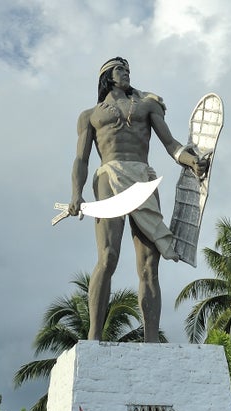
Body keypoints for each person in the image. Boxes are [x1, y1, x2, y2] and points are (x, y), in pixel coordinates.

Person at [69, 57, 208, 343]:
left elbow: (171, 144)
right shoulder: (90, 116)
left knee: (148, 265)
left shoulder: (147, 105)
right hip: (109, 174)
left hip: (143, 177)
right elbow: (81, 159)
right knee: (108, 257)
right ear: (107, 76)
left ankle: (151, 338)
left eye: (129, 70)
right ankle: (94, 335)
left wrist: (190, 161)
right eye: (121, 70)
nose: (127, 74)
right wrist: (76, 194)